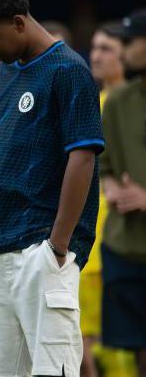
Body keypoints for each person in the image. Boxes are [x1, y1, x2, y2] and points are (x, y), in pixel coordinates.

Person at [0, 0, 104, 377]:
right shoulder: (2, 77)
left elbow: (83, 157)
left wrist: (57, 246)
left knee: (50, 370)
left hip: (40, 248)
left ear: (19, 22)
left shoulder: (68, 70)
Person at [81, 21, 136, 377]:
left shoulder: (134, 108)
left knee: (124, 345)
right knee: (81, 339)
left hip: (122, 236)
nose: (97, 55)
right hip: (85, 237)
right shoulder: (86, 104)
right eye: (95, 47)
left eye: (107, 49)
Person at [99, 9, 146, 376]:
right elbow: (106, 167)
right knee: (133, 350)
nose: (124, 49)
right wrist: (112, 187)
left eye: (130, 41)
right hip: (124, 246)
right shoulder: (117, 101)